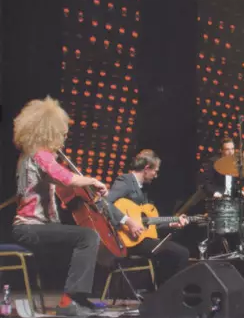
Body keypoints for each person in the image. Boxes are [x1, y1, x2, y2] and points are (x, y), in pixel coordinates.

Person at [11, 97, 108, 317]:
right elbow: (64, 177)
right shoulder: (39, 155)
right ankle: (68, 302)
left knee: (81, 244)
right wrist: (93, 181)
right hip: (30, 228)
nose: (64, 139)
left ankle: (75, 299)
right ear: (49, 132)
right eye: (62, 134)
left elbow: (57, 181)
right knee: (88, 237)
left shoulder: (30, 157)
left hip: (34, 228)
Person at [105, 149, 190, 287]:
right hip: (126, 239)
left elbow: (148, 222)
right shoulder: (125, 181)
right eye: (155, 171)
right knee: (180, 253)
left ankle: (162, 290)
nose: (156, 175)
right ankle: (169, 293)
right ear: (146, 168)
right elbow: (105, 203)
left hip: (141, 238)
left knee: (175, 252)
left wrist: (172, 224)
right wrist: (128, 221)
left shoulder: (142, 189)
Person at [197, 137, 244, 254]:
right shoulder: (213, 162)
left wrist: (240, 192)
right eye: (227, 149)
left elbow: (232, 185)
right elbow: (205, 183)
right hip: (216, 202)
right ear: (221, 150)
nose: (230, 152)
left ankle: (236, 250)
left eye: (232, 149)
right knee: (218, 232)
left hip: (231, 202)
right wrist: (215, 193)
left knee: (237, 224)